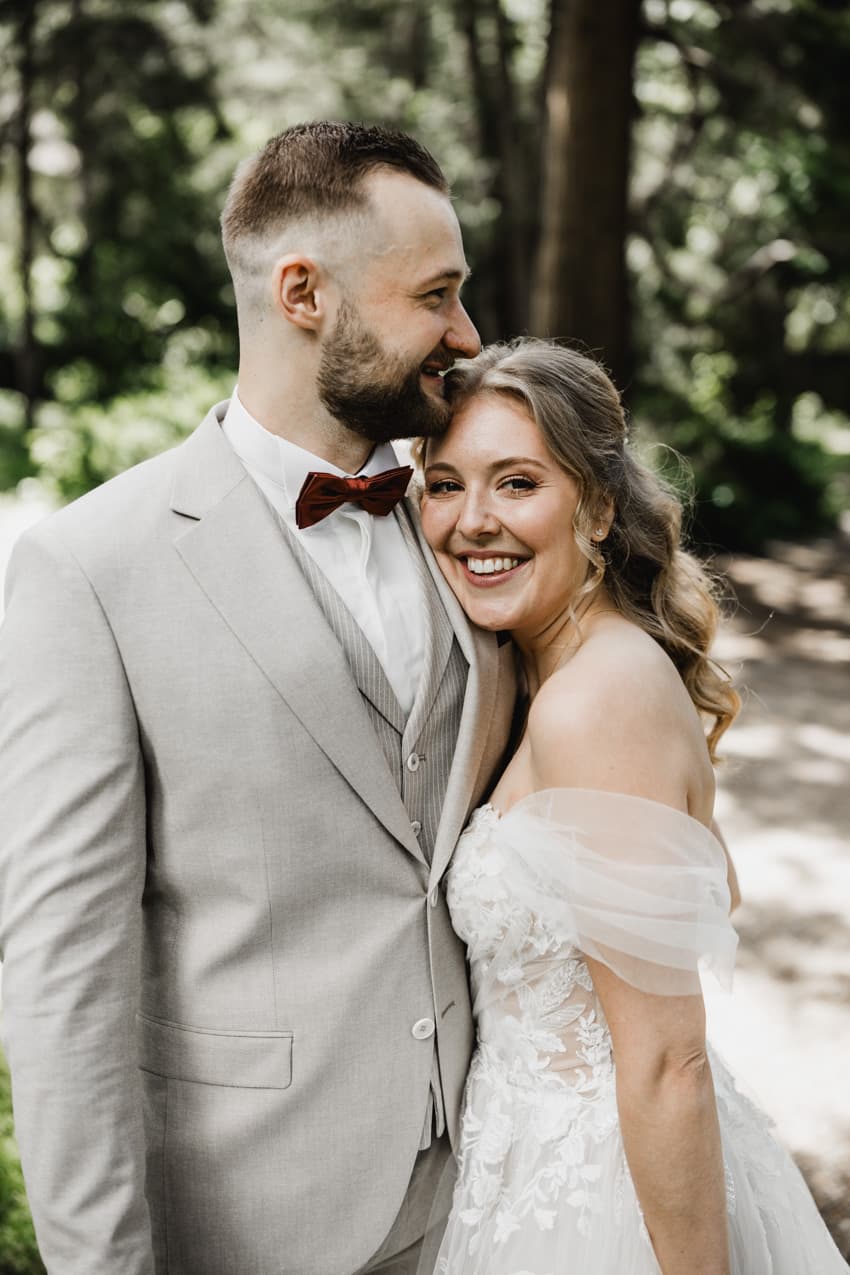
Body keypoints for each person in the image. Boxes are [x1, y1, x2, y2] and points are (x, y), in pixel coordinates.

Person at [0, 123, 517, 1275]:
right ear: (303, 293)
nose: (468, 337)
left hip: (493, 1193)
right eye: (436, 296)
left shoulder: (476, 517)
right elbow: (62, 979)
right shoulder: (93, 569)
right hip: (255, 1217)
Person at [417, 337, 849, 1274]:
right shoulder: (553, 673)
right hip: (525, 1175)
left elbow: (666, 1061)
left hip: (602, 1199)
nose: (473, 521)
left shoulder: (596, 697)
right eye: (445, 484)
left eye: (518, 483)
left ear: (600, 506)